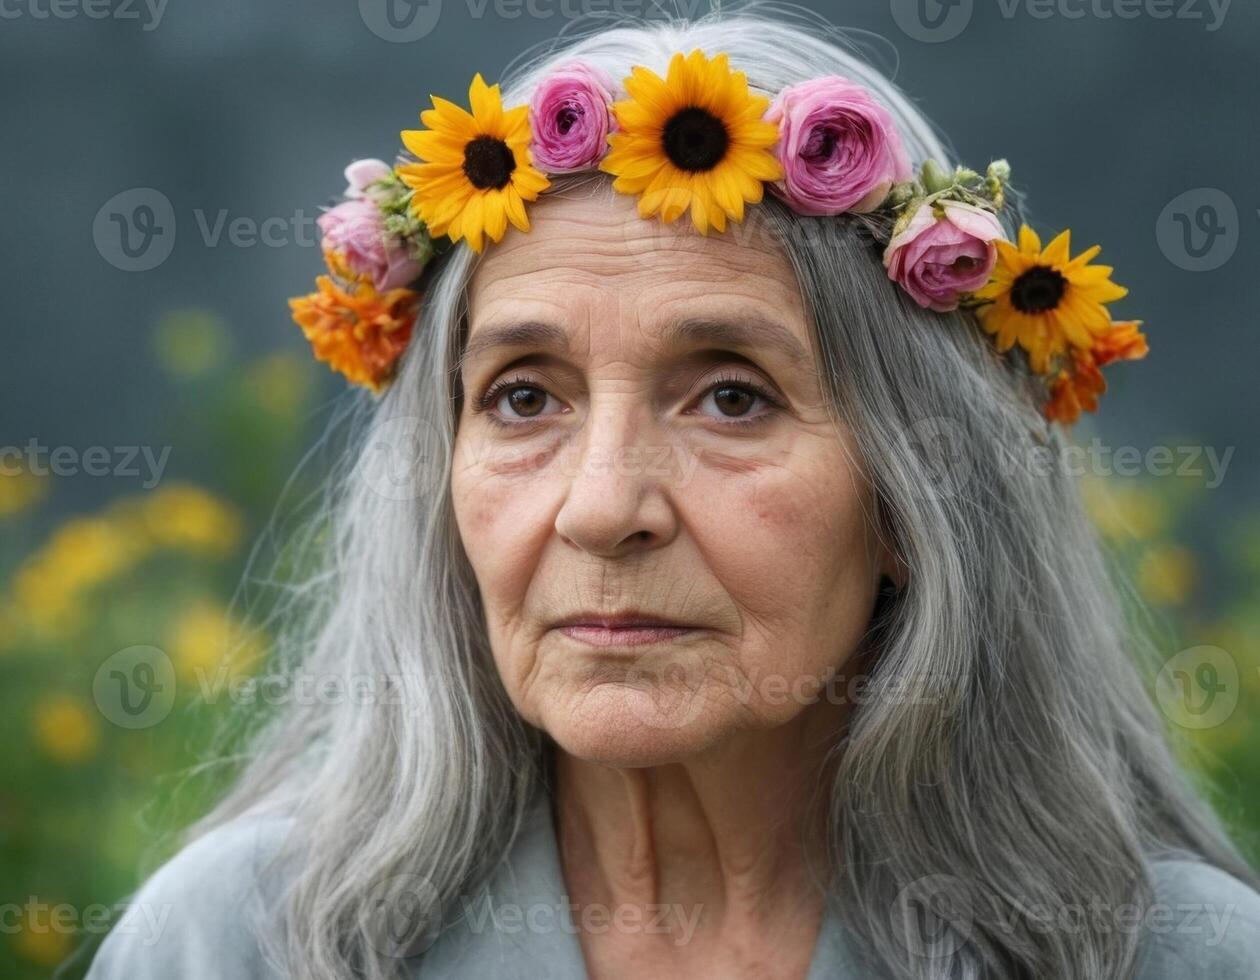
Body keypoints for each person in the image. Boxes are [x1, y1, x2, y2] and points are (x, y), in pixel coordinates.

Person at [83, 5, 1260, 978]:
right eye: (524, 397)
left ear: (918, 498)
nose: (602, 508)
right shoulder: (236, 943)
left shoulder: (1174, 956)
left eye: (733, 398)